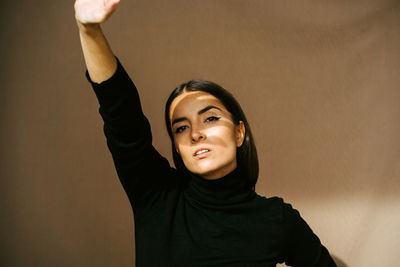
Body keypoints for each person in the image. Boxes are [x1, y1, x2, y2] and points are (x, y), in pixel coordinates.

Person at [75, 0, 337, 266]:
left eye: (210, 118)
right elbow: (122, 116)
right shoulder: (157, 196)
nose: (196, 133)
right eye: (181, 127)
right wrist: (89, 31)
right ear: (177, 147)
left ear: (239, 133)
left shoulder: (276, 219)